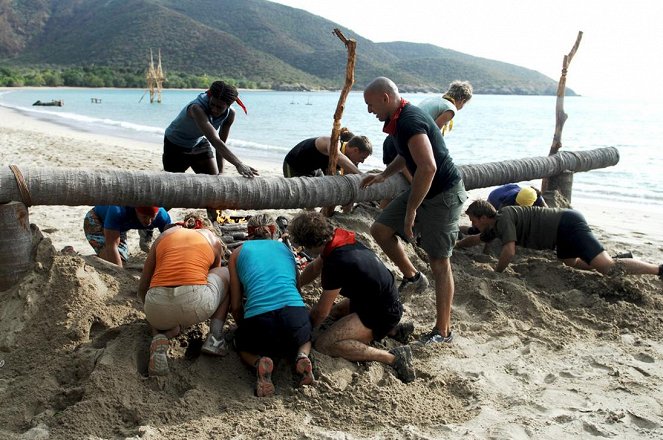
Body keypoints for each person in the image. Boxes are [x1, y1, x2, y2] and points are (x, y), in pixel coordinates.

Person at [360, 77, 467, 345]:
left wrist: (411, 211)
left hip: (443, 193)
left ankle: (443, 332)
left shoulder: (409, 120)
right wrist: (384, 175)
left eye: (370, 105)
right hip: (425, 188)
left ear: (385, 98)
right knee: (380, 229)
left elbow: (428, 167)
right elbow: (406, 155)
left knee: (440, 262)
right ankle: (413, 276)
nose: (369, 111)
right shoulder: (398, 118)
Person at [289, 211, 416, 383]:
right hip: (377, 299)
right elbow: (313, 269)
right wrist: (294, 287)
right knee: (337, 312)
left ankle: (393, 357)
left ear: (308, 244)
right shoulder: (340, 238)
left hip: (379, 312)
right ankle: (394, 330)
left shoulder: (336, 262)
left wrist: (305, 332)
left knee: (324, 344)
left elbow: (321, 312)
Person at [457, 200, 663, 278]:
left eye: (473, 219)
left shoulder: (504, 218)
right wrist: (456, 246)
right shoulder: (494, 226)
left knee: (609, 269)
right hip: (559, 236)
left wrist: (497, 273)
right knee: (573, 263)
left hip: (566, 224)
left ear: (484, 217)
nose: (473, 224)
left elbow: (509, 251)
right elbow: (476, 239)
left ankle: (658, 270)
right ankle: (617, 257)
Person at [228, 214, 314, 397]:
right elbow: (298, 292)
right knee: (306, 336)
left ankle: (259, 362)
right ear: (273, 231)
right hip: (293, 316)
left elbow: (235, 305)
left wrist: (243, 326)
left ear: (248, 233)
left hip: (261, 323)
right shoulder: (286, 250)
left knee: (241, 344)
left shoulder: (237, 253)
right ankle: (301, 355)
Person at [137, 213, 231, 377]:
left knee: (156, 298)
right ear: (205, 227)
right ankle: (215, 338)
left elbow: (143, 286)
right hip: (194, 302)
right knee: (225, 273)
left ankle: (160, 335)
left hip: (156, 307)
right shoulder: (211, 239)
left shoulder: (164, 236)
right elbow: (210, 275)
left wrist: (151, 317)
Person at [163, 80, 258, 178]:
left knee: (214, 181)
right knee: (174, 185)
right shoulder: (196, 108)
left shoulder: (230, 114)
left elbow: (221, 143)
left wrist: (221, 172)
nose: (214, 109)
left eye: (220, 107)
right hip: (174, 145)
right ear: (210, 97)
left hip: (198, 144)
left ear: (228, 106)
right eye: (212, 104)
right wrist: (238, 164)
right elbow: (214, 140)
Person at [84, 205, 171, 267]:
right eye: (145, 217)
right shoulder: (118, 210)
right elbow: (111, 244)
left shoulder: (162, 216)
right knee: (112, 262)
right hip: (96, 219)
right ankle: (79, 258)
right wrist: (120, 275)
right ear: (136, 211)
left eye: (152, 218)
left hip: (119, 227)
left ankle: (97, 258)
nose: (148, 222)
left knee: (121, 261)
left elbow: (171, 242)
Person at [283, 127, 373, 177]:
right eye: (362, 158)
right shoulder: (332, 142)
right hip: (294, 165)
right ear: (355, 150)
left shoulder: (349, 161)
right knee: (305, 199)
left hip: (314, 169)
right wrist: (362, 175)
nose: (362, 161)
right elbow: (337, 156)